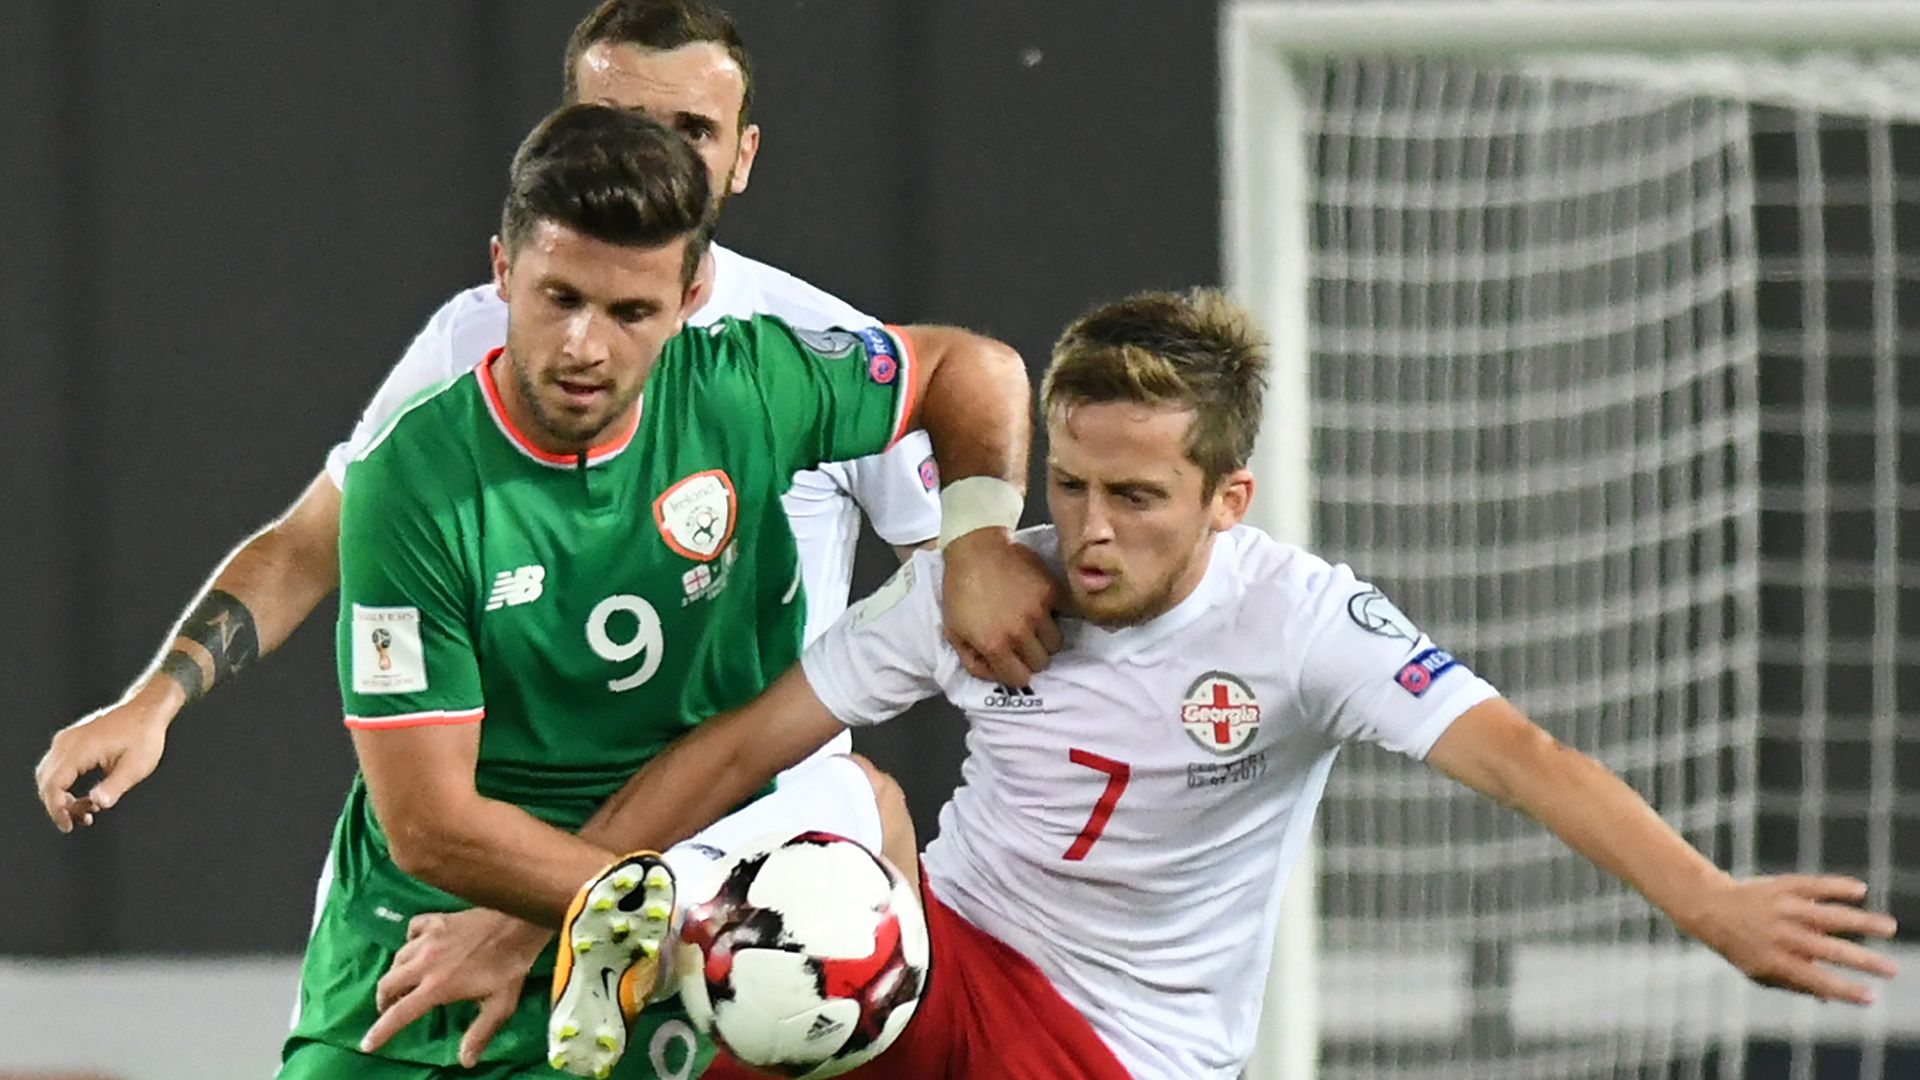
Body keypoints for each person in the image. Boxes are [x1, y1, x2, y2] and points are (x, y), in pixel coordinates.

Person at [519, 289, 1898, 1079]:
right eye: (1071, 483)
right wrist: (545, 897)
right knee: (822, 826)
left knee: (799, 899)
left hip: (1119, 1045)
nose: (1094, 529)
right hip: (950, 964)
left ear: (1228, 497)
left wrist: (1709, 901)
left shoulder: (1304, 626)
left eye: (1138, 496)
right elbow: (747, 739)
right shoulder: (989, 583)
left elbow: (1528, 756)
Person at [33, 0, 1055, 836]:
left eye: (691, 132)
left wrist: (975, 549)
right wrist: (157, 699)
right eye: (622, 125)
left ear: (742, 156)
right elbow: (313, 542)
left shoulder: (802, 347)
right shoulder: (475, 337)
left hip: (750, 831)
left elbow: (961, 577)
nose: (656, 159)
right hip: (529, 830)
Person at [286, 101, 1040, 1080]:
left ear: (688, 301)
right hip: (447, 937)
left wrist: (977, 537)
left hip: (677, 890)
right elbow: (431, 826)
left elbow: (970, 369)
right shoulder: (412, 482)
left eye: (630, 311)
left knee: (858, 818)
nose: (584, 347)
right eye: (559, 297)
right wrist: (685, 917)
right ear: (503, 271)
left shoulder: (745, 387)